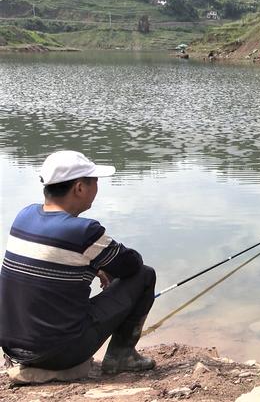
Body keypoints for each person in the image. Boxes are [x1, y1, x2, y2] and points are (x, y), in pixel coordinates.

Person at [0, 150, 156, 375]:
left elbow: (53, 260)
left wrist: (95, 265)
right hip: (58, 354)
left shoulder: (23, 216)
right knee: (145, 275)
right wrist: (100, 264)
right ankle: (121, 356)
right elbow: (131, 265)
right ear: (80, 188)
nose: (97, 188)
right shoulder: (84, 231)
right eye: (95, 182)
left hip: (13, 349)